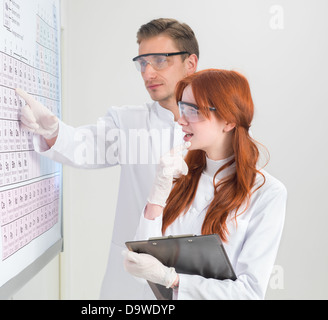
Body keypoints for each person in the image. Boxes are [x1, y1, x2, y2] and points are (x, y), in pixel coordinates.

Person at [15, 18, 199, 299]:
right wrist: (53, 132)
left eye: (160, 60)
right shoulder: (128, 122)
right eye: (142, 63)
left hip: (194, 280)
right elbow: (85, 145)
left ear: (190, 63)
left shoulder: (218, 126)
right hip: (130, 287)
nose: (148, 72)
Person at [123, 69, 287, 300]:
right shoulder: (178, 176)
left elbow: (249, 294)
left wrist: (173, 279)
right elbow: (142, 268)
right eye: (182, 108)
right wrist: (157, 197)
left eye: (193, 110)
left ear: (229, 120)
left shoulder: (267, 192)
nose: (180, 119)